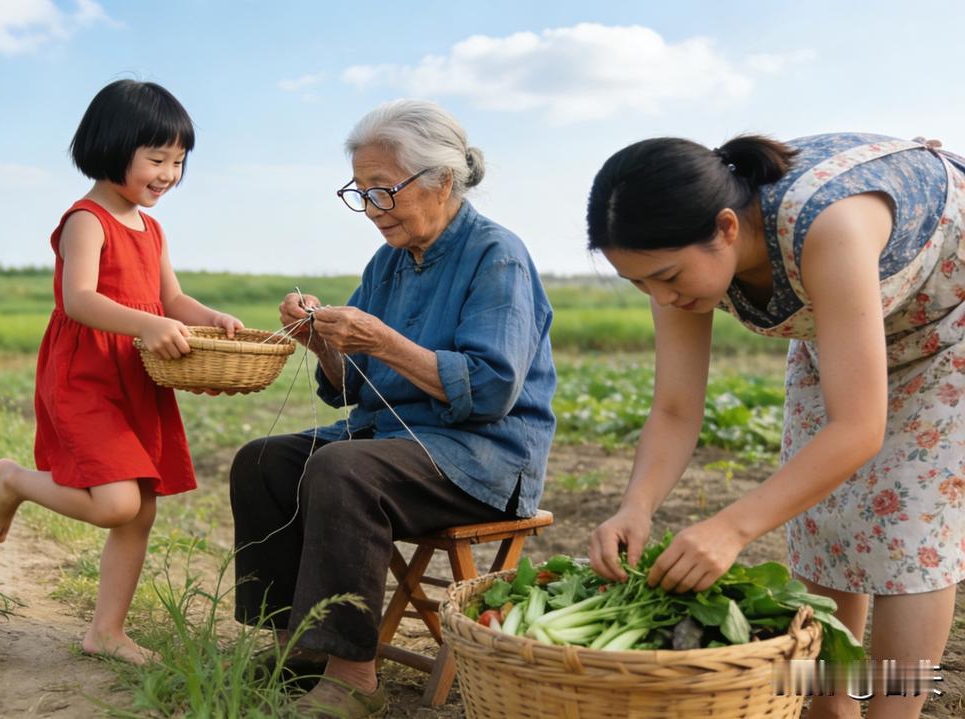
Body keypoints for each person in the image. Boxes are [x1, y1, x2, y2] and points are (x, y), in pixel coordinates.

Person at [585, 132, 964, 719]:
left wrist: (732, 529)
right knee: (820, 518)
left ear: (728, 228)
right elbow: (676, 409)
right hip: (848, 318)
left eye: (666, 276)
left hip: (949, 318)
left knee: (912, 536)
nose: (659, 296)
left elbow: (859, 429)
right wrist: (636, 505)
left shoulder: (829, 227)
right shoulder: (683, 264)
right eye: (639, 284)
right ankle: (827, 707)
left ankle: (897, 713)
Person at [228, 100, 557, 718]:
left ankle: (353, 674)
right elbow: (353, 385)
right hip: (395, 442)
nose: (373, 210)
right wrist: (320, 342)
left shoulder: (497, 256)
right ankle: (294, 648)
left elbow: (490, 389)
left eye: (384, 191)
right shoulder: (387, 263)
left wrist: (382, 339)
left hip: (481, 459)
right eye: (361, 193)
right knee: (264, 460)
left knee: (345, 469)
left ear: (442, 181)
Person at [0, 79, 243, 664]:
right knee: (118, 503)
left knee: (141, 508)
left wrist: (211, 317)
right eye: (156, 159)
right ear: (111, 147)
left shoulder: (152, 229)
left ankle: (106, 631)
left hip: (136, 376)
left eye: (178, 162)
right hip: (87, 375)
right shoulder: (87, 219)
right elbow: (78, 298)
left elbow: (171, 300)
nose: (168, 174)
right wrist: (143, 325)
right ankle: (14, 479)